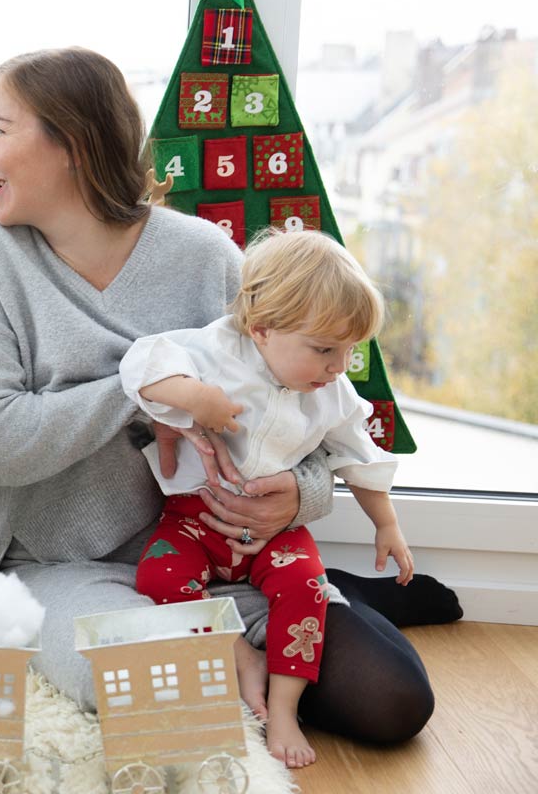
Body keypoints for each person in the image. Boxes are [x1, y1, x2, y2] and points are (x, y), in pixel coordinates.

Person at [0, 46, 451, 761]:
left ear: (73, 143)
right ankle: (251, 636)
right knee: (158, 686)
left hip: (223, 559)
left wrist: (299, 496)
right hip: (65, 565)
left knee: (394, 700)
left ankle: (339, 595)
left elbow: (301, 410)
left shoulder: (206, 257)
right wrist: (140, 394)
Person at [121, 229, 416, 767]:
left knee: (307, 588)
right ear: (261, 329)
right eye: (325, 350)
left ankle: (283, 707)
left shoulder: (332, 392)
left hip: (277, 532)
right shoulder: (214, 352)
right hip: (194, 519)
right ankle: (238, 654)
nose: (338, 366)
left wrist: (387, 524)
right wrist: (195, 396)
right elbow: (140, 364)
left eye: (349, 350)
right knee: (157, 578)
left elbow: (359, 456)